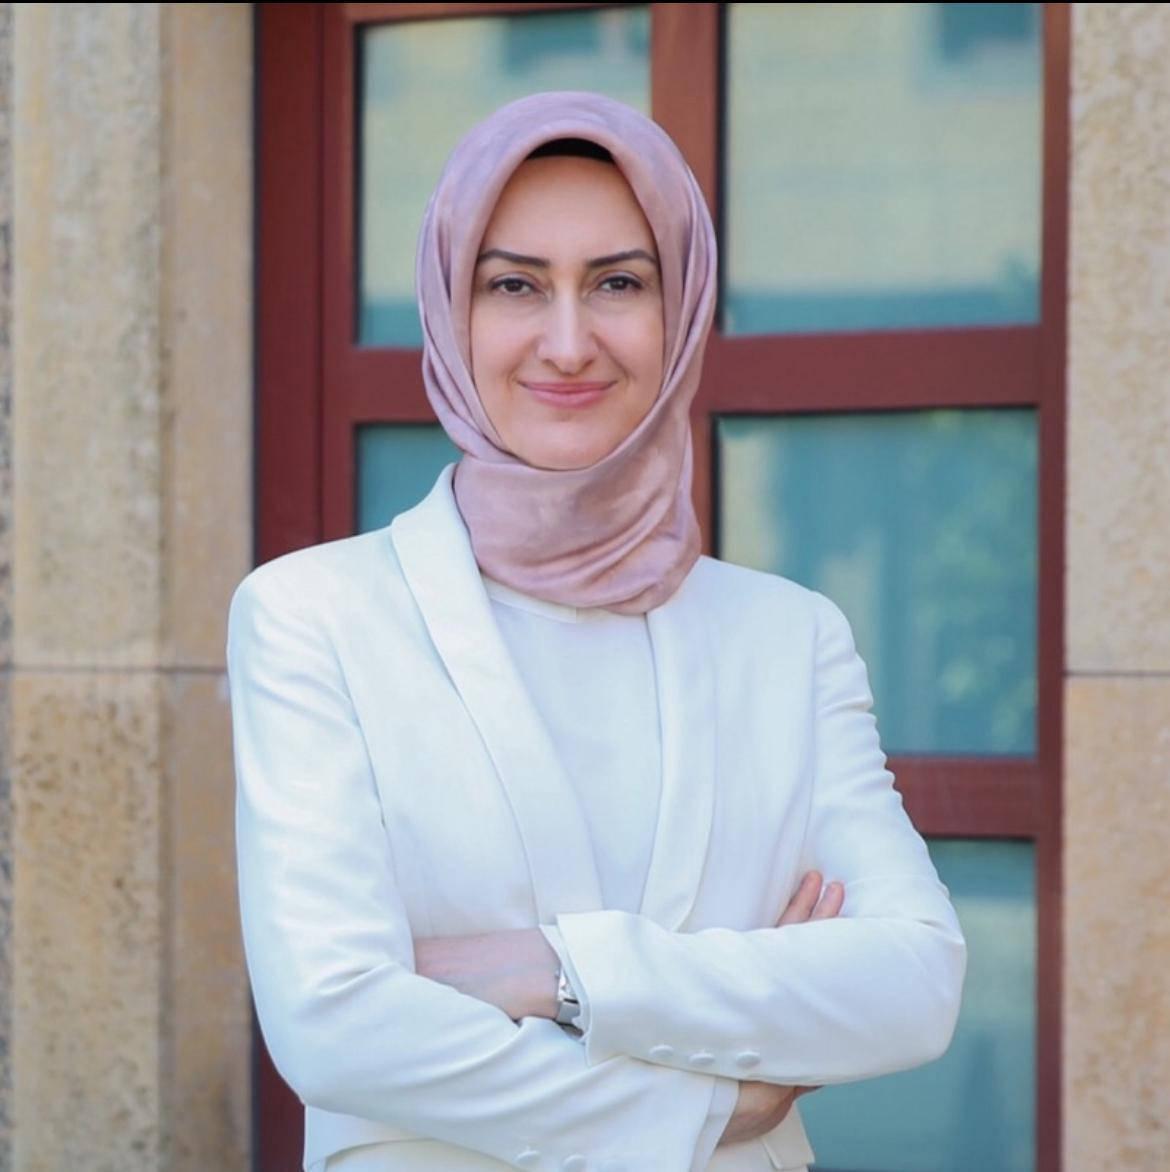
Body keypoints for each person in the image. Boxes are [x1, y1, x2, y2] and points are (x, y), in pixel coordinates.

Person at [228, 91, 966, 1172]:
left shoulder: (788, 637)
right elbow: (333, 1025)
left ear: (683, 310)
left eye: (619, 282)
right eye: (514, 284)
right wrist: (716, 1099)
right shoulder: (313, 618)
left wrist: (556, 969)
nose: (568, 343)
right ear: (449, 310)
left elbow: (914, 980)